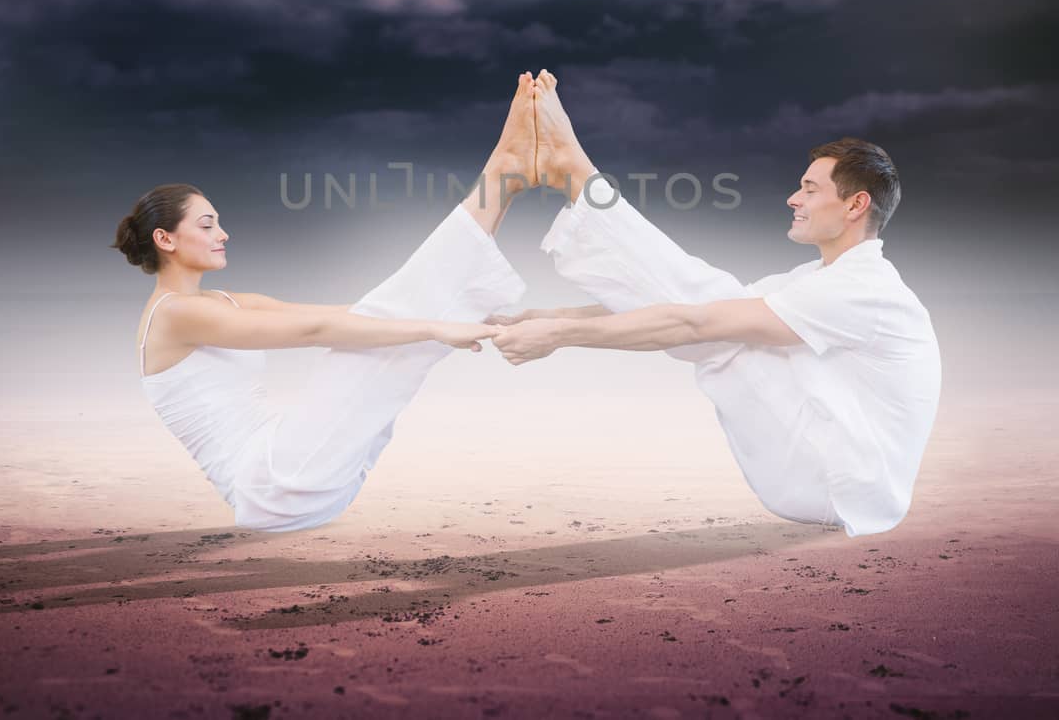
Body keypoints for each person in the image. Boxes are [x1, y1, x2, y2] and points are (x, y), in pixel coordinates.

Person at [491, 71, 940, 537]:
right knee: (723, 305)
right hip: (833, 476)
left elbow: (695, 321)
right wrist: (548, 316)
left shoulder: (862, 290)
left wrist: (559, 337)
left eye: (809, 189)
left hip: (840, 486)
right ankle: (581, 179)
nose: (793, 198)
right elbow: (696, 308)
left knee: (720, 323)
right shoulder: (819, 280)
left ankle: (581, 176)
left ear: (855, 205)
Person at [114, 75, 537, 530]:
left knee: (381, 322)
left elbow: (336, 314)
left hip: (294, 473)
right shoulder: (177, 314)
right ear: (165, 238)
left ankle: (506, 176)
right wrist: (436, 327)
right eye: (207, 225)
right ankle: (504, 172)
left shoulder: (221, 302)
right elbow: (313, 334)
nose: (223, 234)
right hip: (274, 484)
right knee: (374, 342)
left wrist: (441, 317)